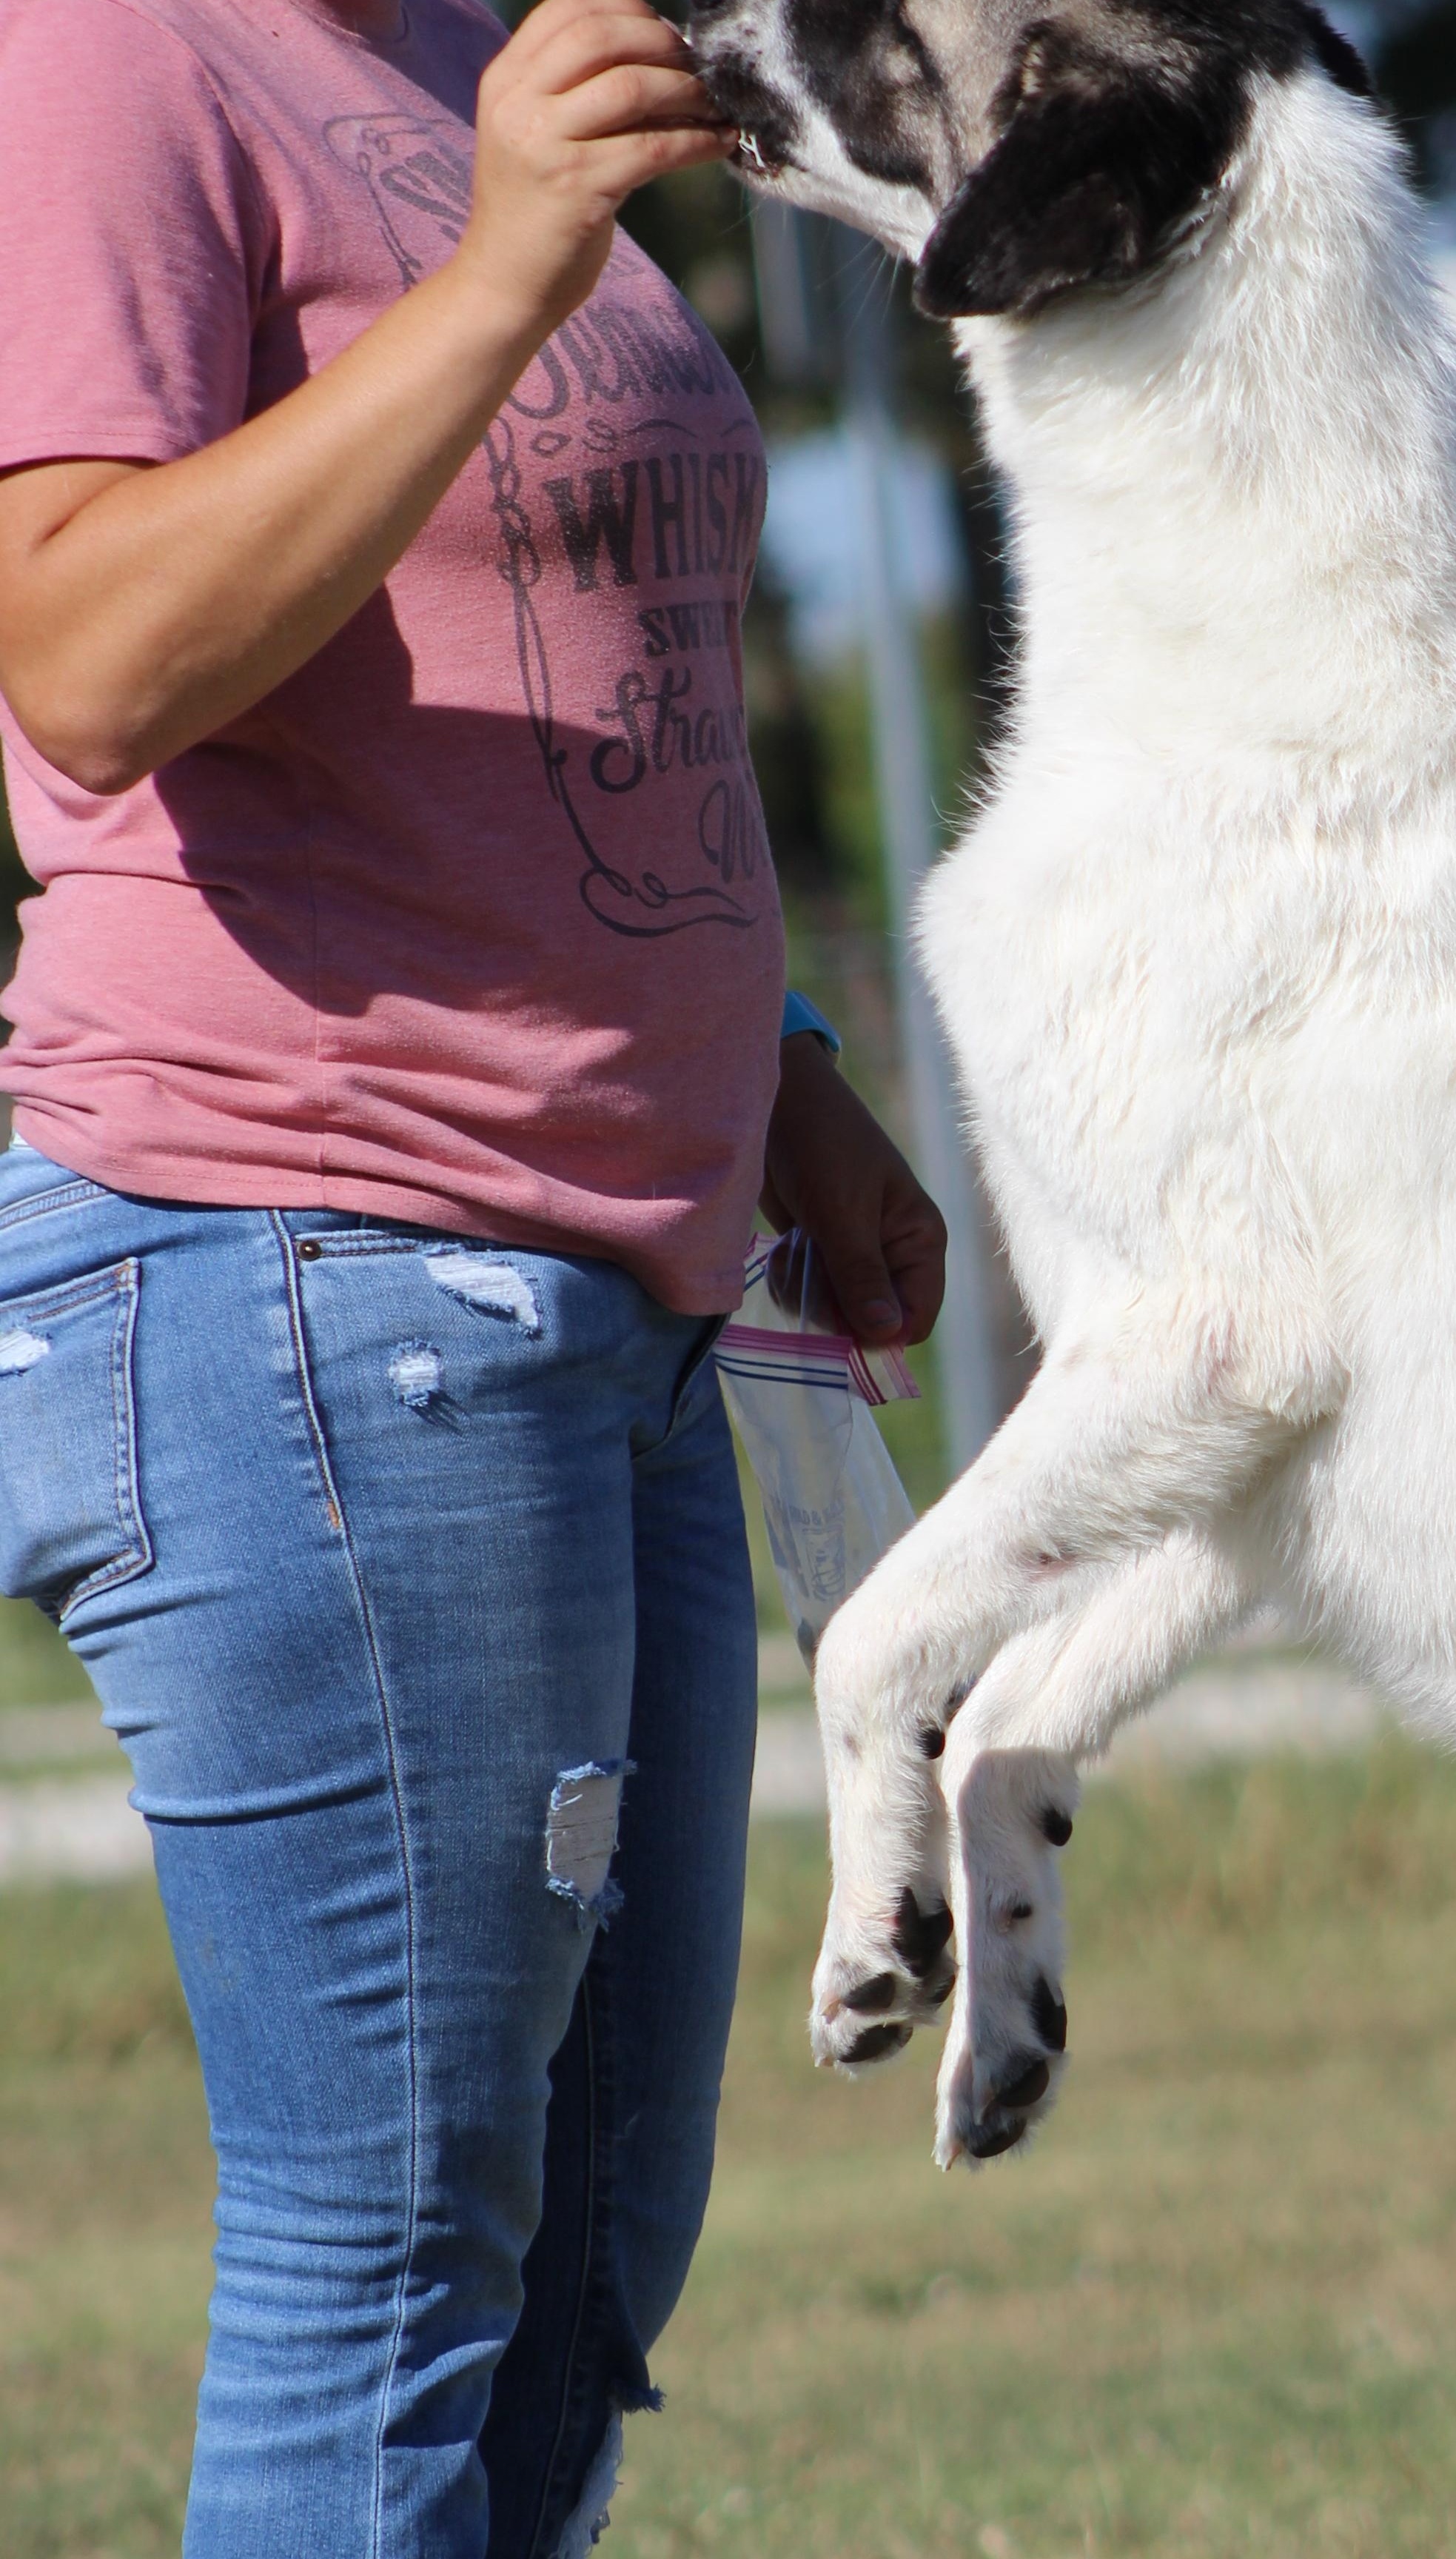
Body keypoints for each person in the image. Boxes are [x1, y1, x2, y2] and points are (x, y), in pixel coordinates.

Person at [0, 1, 946, 2549]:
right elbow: (82, 656)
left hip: (596, 1302)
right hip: (301, 1266)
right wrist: (514, 258)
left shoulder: (453, 48)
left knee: (585, 2269)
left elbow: (562, 680)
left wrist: (784, 1060)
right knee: (394, 2259)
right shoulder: (106, 55)